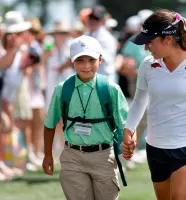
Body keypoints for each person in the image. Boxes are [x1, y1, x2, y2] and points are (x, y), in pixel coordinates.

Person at [122, 9, 186, 200]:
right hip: (156, 148)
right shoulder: (148, 65)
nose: (146, 48)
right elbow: (140, 101)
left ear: (168, 39)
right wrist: (128, 131)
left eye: (150, 41)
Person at [42, 35, 129, 200]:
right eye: (80, 60)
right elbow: (49, 124)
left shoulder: (111, 88)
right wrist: (47, 155)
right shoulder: (62, 89)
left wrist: (129, 142)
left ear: (100, 60)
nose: (86, 66)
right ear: (71, 61)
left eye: (91, 60)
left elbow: (125, 123)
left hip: (103, 156)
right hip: (72, 156)